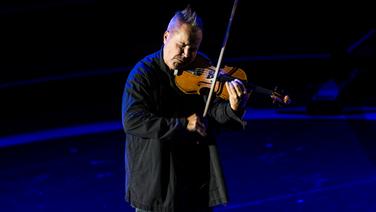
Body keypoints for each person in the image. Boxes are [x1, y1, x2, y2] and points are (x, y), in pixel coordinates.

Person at [121, 5, 249, 212]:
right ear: (165, 37)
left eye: (194, 48)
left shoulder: (202, 67)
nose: (187, 54)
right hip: (156, 181)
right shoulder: (142, 74)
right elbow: (133, 120)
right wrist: (183, 124)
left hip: (194, 178)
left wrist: (233, 108)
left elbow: (215, 113)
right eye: (182, 46)